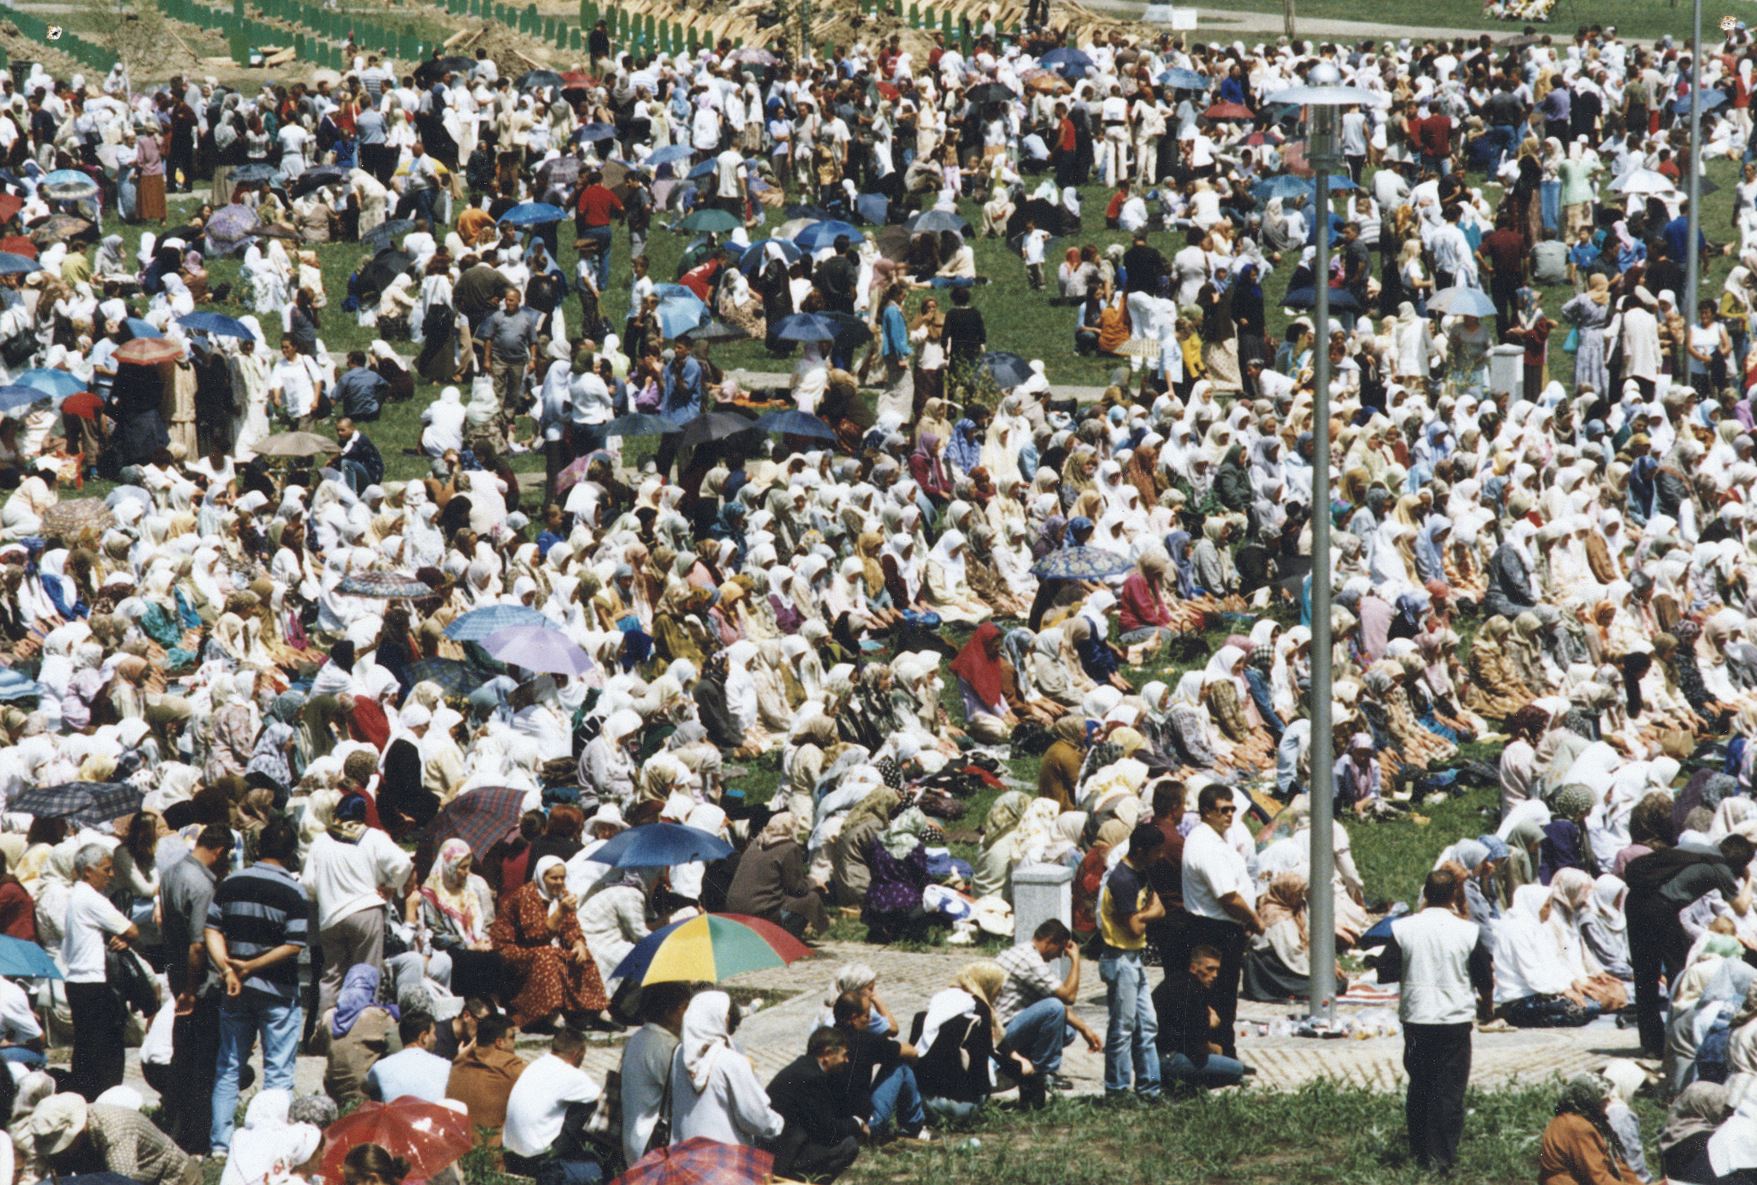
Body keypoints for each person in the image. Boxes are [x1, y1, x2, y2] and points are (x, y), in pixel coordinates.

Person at [1377, 866, 1494, 1173]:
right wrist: (1488, 1007)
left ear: (1425, 894)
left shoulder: (1403, 928)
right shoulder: (1468, 931)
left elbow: (1385, 970)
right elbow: (1485, 978)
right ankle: (1442, 1157)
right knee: (1450, 1089)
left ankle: (1419, 1150)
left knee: (1420, 1083)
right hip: (1454, 1019)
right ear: (1455, 894)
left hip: (1417, 1017)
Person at [206, 816, 309, 1154]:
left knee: (229, 1065)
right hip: (278, 991)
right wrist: (252, 966)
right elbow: (293, 945)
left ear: (258, 847)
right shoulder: (294, 891)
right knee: (278, 1070)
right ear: (291, 852)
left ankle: (220, 1144)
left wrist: (229, 969)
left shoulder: (230, 883)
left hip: (235, 988)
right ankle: (271, 1142)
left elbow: (212, 929)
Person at [158, 822, 235, 1152]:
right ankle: (197, 1135)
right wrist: (191, 989)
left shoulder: (171, 873)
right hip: (198, 986)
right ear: (219, 852)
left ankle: (176, 1123)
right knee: (203, 1064)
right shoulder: (203, 886)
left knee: (182, 1056)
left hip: (177, 975)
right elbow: (198, 945)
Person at [1180, 785, 1261, 1061]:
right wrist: (1254, 919)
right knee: (1218, 995)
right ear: (1206, 812)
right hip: (1214, 929)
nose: (1229, 815)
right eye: (1223, 810)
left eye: (1232, 809)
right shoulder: (1206, 845)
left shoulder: (1217, 839)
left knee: (1224, 995)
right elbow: (1227, 896)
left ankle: (1224, 1051)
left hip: (1224, 926)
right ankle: (1220, 1055)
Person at [62, 842, 138, 1100]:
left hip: (76, 981)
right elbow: (131, 929)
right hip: (93, 982)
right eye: (106, 870)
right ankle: (105, 1100)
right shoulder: (92, 899)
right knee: (106, 1051)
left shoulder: (75, 897)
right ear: (88, 871)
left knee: (85, 1049)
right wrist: (125, 938)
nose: (111, 875)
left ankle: (84, 1097)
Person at [1097, 823, 1167, 1101]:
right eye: (1157, 851)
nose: (1160, 856)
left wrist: (1146, 913)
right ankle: (1116, 1090)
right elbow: (1136, 928)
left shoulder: (1141, 873)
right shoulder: (1123, 880)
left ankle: (1150, 1087)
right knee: (1122, 1028)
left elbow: (1158, 908)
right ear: (1140, 850)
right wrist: (1149, 913)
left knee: (1147, 1024)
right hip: (1119, 959)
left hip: (1133, 958)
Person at [993, 918, 1103, 1090]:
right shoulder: (1031, 961)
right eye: (1060, 950)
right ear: (1051, 942)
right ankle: (1044, 1073)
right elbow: (1068, 997)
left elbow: (1049, 1002)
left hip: (1001, 1025)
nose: (1058, 957)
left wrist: (1084, 1029)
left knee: (1067, 1030)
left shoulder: (1021, 951)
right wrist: (1076, 960)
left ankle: (1021, 1064)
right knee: (1054, 1008)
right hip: (999, 1033)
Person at [670, 990, 785, 1148]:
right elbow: (755, 1118)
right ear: (724, 1019)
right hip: (724, 1156)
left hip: (685, 1153)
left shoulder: (680, 1053)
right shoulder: (732, 1061)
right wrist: (778, 1123)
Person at [503, 1028, 606, 1185]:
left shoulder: (536, 1064)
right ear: (577, 1053)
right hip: (538, 1160)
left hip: (512, 1154)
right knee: (599, 1171)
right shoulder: (570, 1074)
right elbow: (601, 1098)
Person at [766, 1027, 864, 1183]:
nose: (846, 1060)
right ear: (827, 1054)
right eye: (844, 1055)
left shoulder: (804, 1068)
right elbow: (827, 1130)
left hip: (781, 1146)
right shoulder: (812, 1078)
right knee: (848, 1146)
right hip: (781, 1157)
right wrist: (857, 1124)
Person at [618, 982, 692, 1167]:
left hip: (634, 1139)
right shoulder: (665, 1047)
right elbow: (685, 1094)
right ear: (668, 1012)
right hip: (654, 1144)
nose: (690, 1013)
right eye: (684, 1007)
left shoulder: (638, 1037)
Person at [1152, 944, 1245, 1090]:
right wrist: (1210, 1025)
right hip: (1168, 1059)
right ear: (1194, 968)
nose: (1215, 975)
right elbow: (1197, 1045)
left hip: (1151, 1055)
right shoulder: (1195, 992)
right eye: (1210, 969)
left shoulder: (1175, 980)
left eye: (1217, 970)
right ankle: (1184, 1083)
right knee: (1237, 1069)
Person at [1537, 1074, 1643, 1185]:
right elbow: (1598, 1178)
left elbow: (1615, 1162)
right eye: (1603, 1099)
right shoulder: (1576, 1126)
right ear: (1588, 1100)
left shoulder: (1590, 1118)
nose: (1609, 1102)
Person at [447, 1012, 528, 1145]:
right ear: (499, 1042)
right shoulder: (510, 1066)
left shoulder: (459, 1062)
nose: (514, 1043)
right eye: (512, 1037)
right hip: (489, 1153)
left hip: (456, 1148)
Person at [365, 1011, 452, 1102]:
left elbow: (365, 1087)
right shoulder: (446, 1066)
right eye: (434, 1033)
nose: (436, 1038)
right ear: (423, 1037)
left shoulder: (380, 1067)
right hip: (433, 1111)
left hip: (395, 1111)